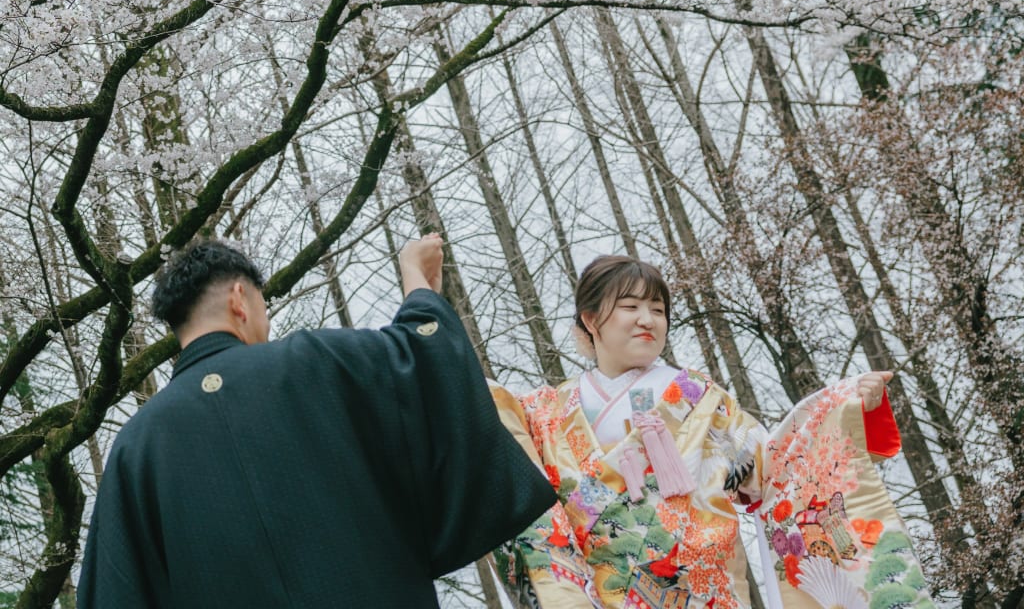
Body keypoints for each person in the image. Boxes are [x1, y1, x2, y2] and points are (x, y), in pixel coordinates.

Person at [78, 233, 555, 608]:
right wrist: (416, 279)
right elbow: (425, 352)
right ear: (240, 299)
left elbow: (116, 591)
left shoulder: (135, 448)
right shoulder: (316, 360)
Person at [490, 255, 934, 609]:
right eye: (630, 306)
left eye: (658, 310)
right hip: (601, 594)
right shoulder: (543, 413)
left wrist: (844, 409)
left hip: (705, 592)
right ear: (590, 320)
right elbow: (504, 465)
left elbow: (775, 468)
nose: (647, 319)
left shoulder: (699, 398)